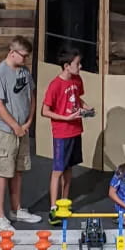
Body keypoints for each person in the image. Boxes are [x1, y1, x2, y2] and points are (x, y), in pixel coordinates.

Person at [0, 36, 42, 231]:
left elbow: (32, 95)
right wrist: (14, 126)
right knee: (2, 172)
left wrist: (28, 121)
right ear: (12, 52)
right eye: (24, 56)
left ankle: (16, 209)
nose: (26, 60)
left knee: (18, 171)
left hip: (22, 128)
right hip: (4, 131)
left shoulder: (24, 71)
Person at [42, 47, 93, 226]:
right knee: (58, 170)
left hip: (75, 131)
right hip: (62, 133)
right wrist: (65, 117)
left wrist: (87, 109)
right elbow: (45, 111)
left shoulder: (77, 80)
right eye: (77, 64)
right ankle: (53, 208)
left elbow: (77, 99)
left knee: (69, 168)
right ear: (66, 66)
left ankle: (65, 201)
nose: (80, 67)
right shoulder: (55, 85)